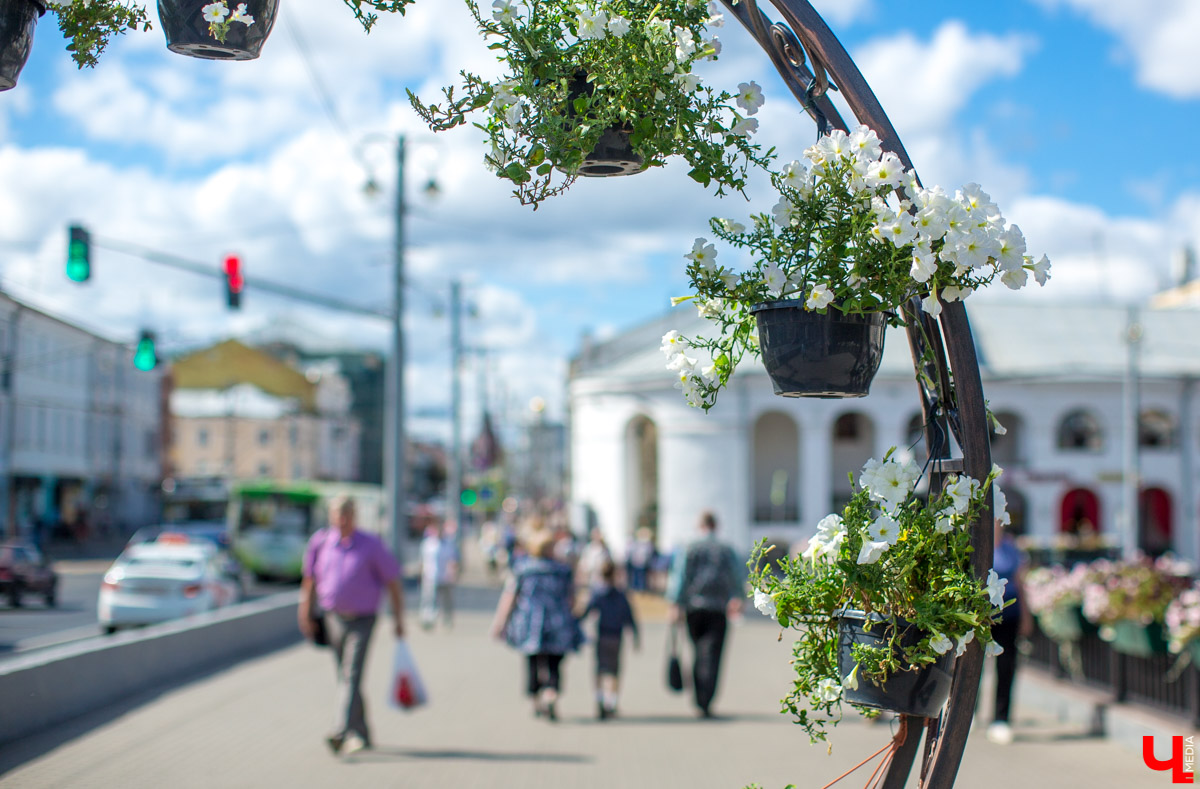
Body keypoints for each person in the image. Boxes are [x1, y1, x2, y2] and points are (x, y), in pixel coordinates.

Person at [298, 496, 404, 757]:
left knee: (351, 675)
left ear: (354, 516)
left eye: (347, 514)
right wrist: (305, 612)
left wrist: (399, 619)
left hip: (363, 620)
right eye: (337, 514)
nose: (342, 519)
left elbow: (393, 582)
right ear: (331, 516)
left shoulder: (371, 545)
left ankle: (340, 730)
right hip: (333, 617)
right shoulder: (321, 543)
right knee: (346, 678)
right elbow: (310, 580)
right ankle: (363, 732)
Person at [490, 529, 583, 722]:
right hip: (558, 623)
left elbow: (510, 598)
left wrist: (500, 623)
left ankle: (536, 700)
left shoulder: (523, 569)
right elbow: (572, 599)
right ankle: (551, 693)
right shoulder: (563, 571)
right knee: (554, 663)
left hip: (530, 623)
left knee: (533, 662)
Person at [666, 511, 744, 718]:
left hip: (694, 608)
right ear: (715, 526)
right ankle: (705, 697)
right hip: (718, 608)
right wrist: (737, 597)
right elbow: (736, 575)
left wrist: (675, 603)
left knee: (698, 651)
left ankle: (700, 694)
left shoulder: (689, 548)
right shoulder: (726, 550)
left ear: (699, 525)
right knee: (713, 654)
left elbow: (679, 576)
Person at [987, 502, 1033, 745]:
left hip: (1009, 613)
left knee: (1006, 666)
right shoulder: (978, 548)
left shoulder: (1010, 548)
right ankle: (969, 713)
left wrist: (1027, 615)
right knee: (971, 666)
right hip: (982, 614)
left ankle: (1001, 718)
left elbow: (1020, 581)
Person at [580, 558, 639, 719]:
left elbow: (585, 612)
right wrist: (635, 636)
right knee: (614, 671)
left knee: (600, 669)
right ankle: (611, 702)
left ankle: (599, 698)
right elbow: (630, 617)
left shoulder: (597, 593)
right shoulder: (621, 595)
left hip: (602, 635)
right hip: (615, 637)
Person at [419, 521, 461, 629]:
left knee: (447, 601)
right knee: (429, 600)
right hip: (430, 577)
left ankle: (447, 619)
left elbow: (453, 560)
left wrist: (452, 573)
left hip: (445, 577)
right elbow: (423, 561)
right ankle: (428, 619)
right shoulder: (428, 544)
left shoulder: (448, 544)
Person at [625, 527, 656, 592]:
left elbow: (648, 553)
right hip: (637, 562)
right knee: (636, 577)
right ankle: (636, 589)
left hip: (642, 563)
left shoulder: (647, 544)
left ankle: (641, 589)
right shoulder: (638, 542)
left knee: (641, 578)